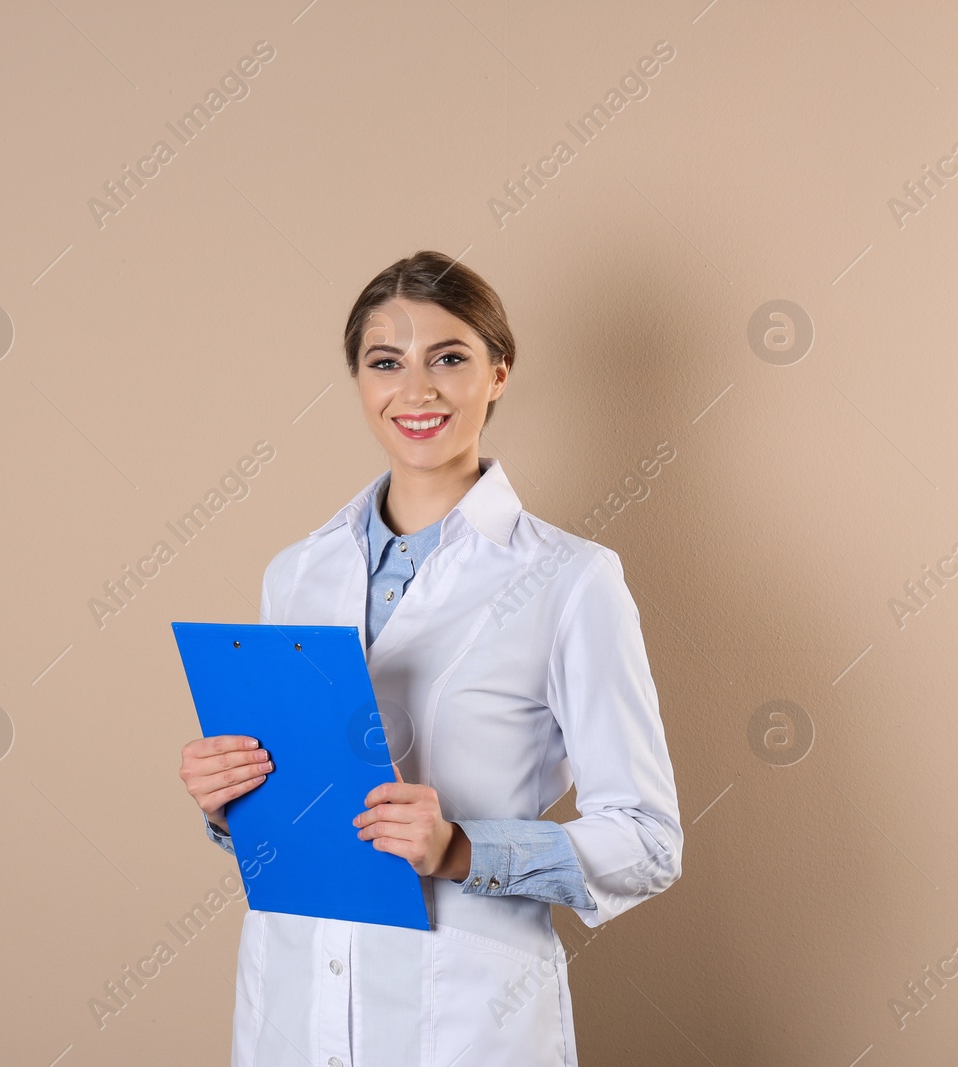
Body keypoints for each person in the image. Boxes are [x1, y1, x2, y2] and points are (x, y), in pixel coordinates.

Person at [177, 250, 683, 1066]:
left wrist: (461, 849)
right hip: (293, 1006)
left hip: (466, 1017)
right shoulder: (296, 572)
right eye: (387, 363)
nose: (416, 391)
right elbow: (300, 817)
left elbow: (649, 840)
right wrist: (226, 799)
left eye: (449, 357)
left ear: (499, 373)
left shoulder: (570, 579)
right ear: (359, 382)